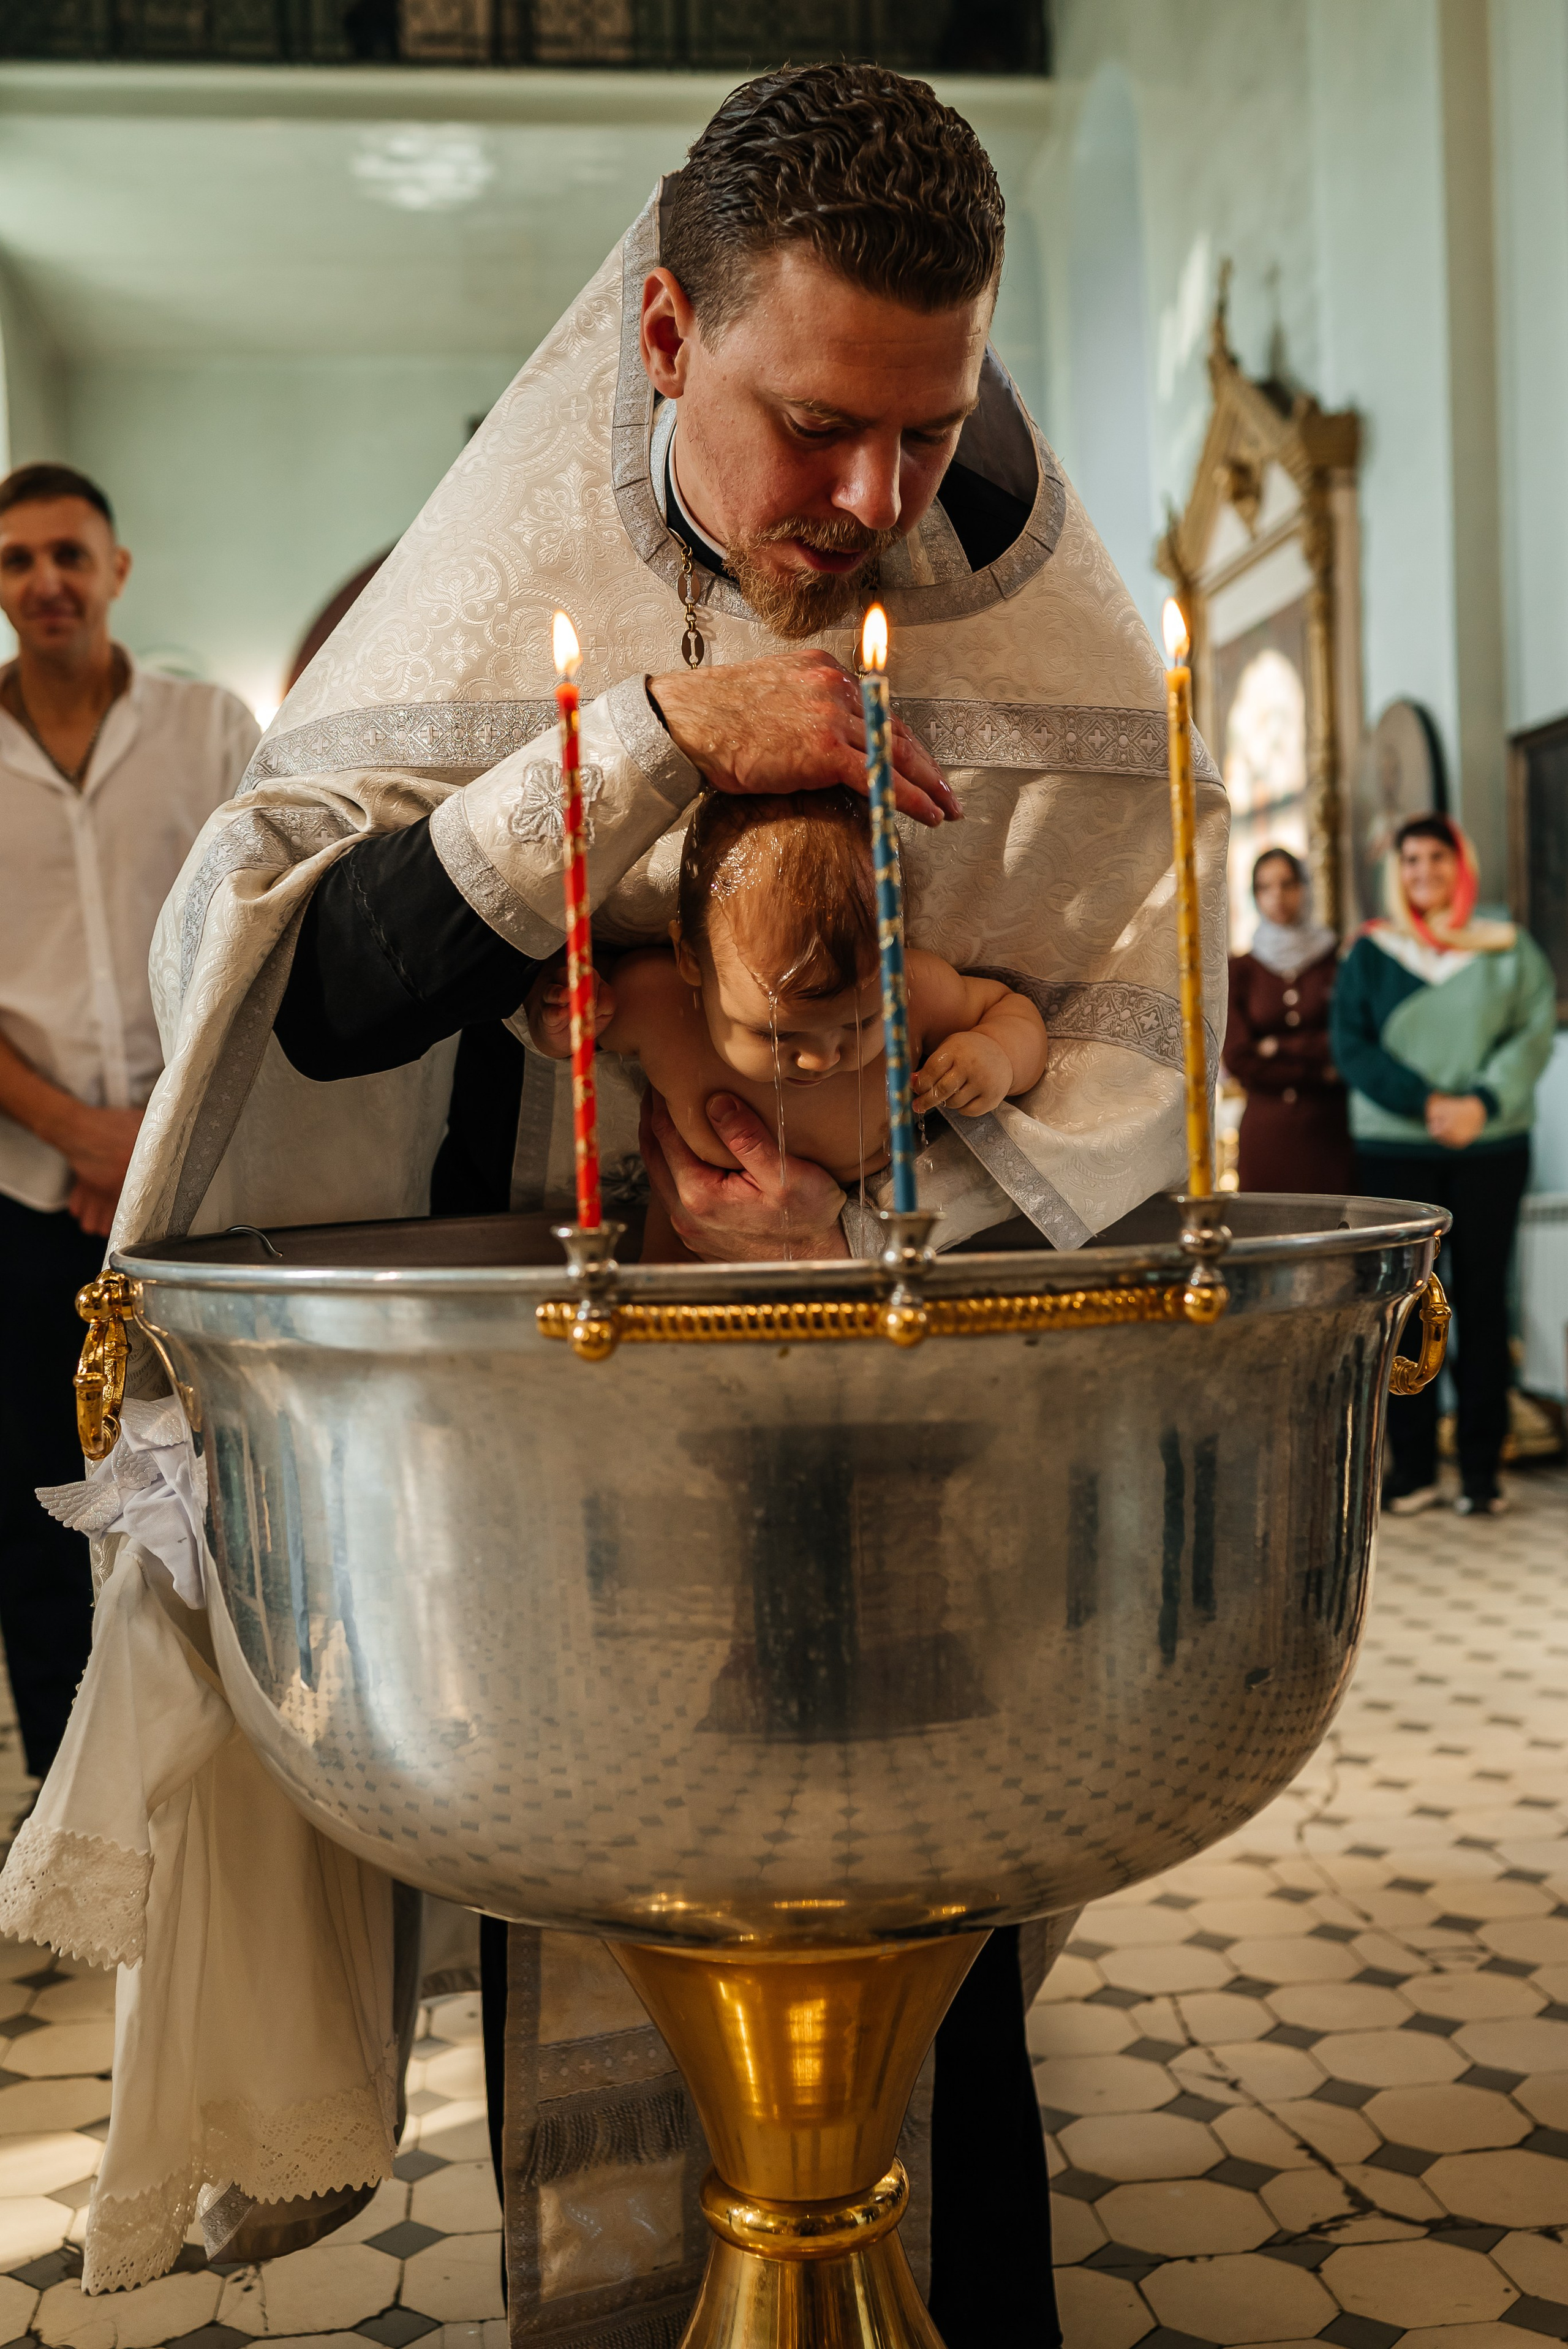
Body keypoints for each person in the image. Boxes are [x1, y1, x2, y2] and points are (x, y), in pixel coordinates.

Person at [1, 66, 1227, 2331]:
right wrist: (650, 748)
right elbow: (300, 996)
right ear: (666, 333)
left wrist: (888, 1157)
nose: (871, 501)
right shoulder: (504, 582)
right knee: (589, 1944)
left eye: (926, 430)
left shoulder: (1013, 597)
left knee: (931, 1993)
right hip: (555, 1448)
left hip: (907, 1426)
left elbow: (1131, 1029)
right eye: (811, 426)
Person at [0, 462, 257, 1792]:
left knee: (210, 1492)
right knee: (35, 1509)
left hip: (192, 1172)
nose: (45, 580)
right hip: (21, 1187)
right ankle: (70, 1802)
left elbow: (252, 930)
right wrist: (77, 1135)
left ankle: (212, 1792)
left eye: (67, 553)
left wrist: (151, 1135)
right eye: (16, 560)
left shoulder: (208, 728)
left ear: (116, 570)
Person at [528, 787, 1049, 1254]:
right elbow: (568, 1040)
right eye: (773, 1032)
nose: (820, 1058)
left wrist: (997, 1054)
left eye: (860, 1023)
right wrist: (563, 1016)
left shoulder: (915, 996)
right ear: (690, 960)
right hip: (688, 1259)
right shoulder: (660, 1004)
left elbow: (1010, 1009)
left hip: (851, 1249)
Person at [1330, 812, 1555, 1518]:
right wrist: (1425, 1102)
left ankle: (1482, 1471)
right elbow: (1352, 1045)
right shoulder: (1372, 952)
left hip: (1489, 1145)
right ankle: (1414, 1469)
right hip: (1396, 1148)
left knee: (1484, 1300)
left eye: (1436, 857)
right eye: (1410, 860)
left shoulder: (1506, 948)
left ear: (1461, 866)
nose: (1423, 871)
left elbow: (1532, 1033)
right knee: (1405, 1305)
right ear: (1395, 873)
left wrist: (1480, 1104)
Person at [1224, 846, 1351, 1193]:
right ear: (1254, 896)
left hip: (1329, 1133)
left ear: (1304, 887)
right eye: (1265, 887)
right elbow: (1238, 1058)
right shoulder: (1242, 970)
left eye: (1287, 884)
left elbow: (1345, 1042)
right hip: (1267, 1133)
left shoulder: (1335, 960)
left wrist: (1276, 1047)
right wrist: (1320, 1071)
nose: (1277, 896)